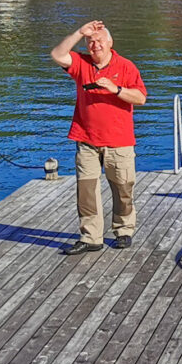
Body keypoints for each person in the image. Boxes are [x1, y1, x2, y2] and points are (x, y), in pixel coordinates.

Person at [50, 20, 148, 254]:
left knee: (123, 190)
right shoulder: (81, 64)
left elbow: (141, 98)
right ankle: (91, 237)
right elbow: (57, 54)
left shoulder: (125, 66)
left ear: (110, 43)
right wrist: (79, 32)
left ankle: (123, 231)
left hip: (119, 142)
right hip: (86, 140)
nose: (95, 45)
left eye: (99, 40)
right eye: (91, 41)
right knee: (86, 192)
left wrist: (116, 89)